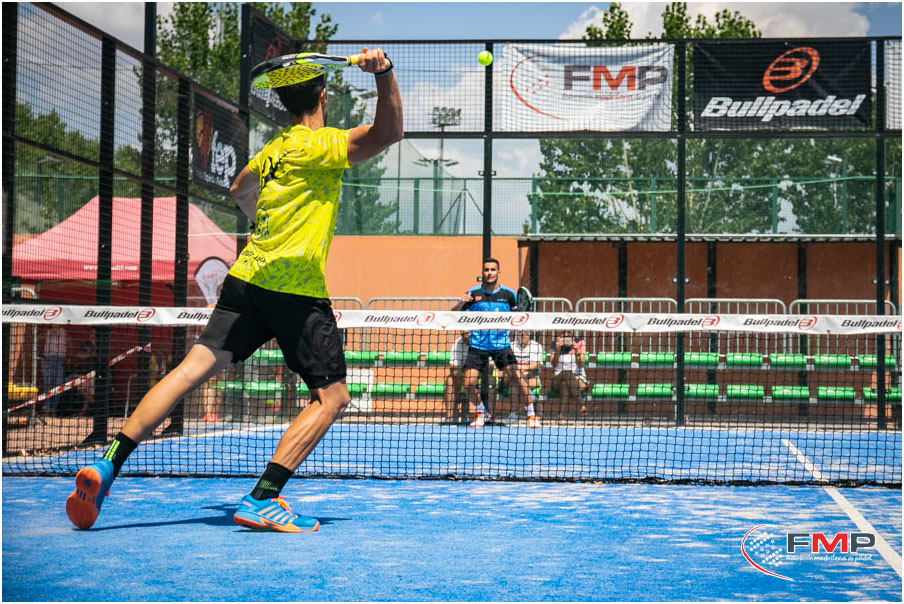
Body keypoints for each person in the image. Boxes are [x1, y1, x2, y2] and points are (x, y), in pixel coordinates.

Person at [66, 47, 402, 533]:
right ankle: (263, 497)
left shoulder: (273, 152)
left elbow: (240, 190)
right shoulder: (320, 145)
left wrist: (265, 219)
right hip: (294, 287)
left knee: (189, 370)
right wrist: (384, 73)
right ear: (323, 96)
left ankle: (109, 462)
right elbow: (389, 133)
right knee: (332, 397)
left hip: (245, 279)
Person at [453, 258, 541, 429]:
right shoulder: (473, 293)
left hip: (501, 344)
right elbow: (453, 314)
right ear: (482, 272)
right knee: (468, 383)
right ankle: (481, 412)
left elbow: (520, 317)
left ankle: (531, 414)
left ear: (498, 272)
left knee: (517, 378)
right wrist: (461, 303)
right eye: (486, 270)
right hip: (478, 344)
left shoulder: (509, 295)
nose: (489, 273)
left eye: (493, 270)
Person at [549, 330, 588, 418]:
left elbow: (580, 364)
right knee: (566, 373)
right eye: (563, 332)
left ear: (573, 332)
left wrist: (576, 350)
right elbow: (554, 364)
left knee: (564, 384)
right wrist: (557, 349)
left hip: (578, 378)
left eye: (569, 332)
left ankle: (560, 415)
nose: (566, 335)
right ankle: (582, 404)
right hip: (558, 378)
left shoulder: (580, 342)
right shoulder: (555, 343)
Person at [500, 330, 543, 406]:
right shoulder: (511, 346)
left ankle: (516, 412)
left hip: (532, 378)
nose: (523, 334)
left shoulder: (536, 346)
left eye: (526, 331)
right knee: (515, 384)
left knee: (515, 386)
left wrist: (519, 368)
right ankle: (531, 404)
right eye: (520, 332)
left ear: (530, 332)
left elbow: (535, 364)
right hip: (512, 377)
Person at [41, 324, 68, 416]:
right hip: (48, 359)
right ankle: (47, 407)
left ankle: (54, 409)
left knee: (58, 385)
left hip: (60, 359)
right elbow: (38, 338)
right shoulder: (48, 332)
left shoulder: (64, 332)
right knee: (48, 383)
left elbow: (69, 343)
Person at [442, 331, 469, 421]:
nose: (465, 337)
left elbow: (490, 367)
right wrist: (461, 378)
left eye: (467, 334)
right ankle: (449, 419)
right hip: (462, 376)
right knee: (450, 380)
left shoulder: (483, 342)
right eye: (463, 334)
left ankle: (488, 418)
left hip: (480, 375)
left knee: (490, 380)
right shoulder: (458, 343)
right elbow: (453, 367)